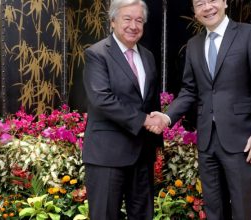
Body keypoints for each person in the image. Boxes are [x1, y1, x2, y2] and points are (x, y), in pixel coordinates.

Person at [149, 0, 251, 219]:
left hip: (242, 140)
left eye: (212, 0)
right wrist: (167, 116)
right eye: (200, 4)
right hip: (207, 141)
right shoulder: (194, 45)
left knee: (243, 210)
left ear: (225, 2)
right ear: (195, 12)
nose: (207, 7)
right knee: (214, 209)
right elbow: (189, 90)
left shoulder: (248, 34)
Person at [82, 0, 166, 219]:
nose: (133, 25)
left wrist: (156, 136)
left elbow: (150, 101)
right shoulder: (97, 54)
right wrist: (145, 121)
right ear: (112, 21)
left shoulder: (147, 56)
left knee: (143, 215)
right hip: (107, 155)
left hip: (142, 154)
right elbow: (102, 99)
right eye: (127, 19)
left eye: (139, 20)